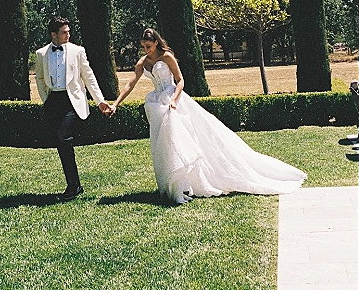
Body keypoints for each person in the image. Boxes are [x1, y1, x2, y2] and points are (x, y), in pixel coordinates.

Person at [110, 27, 307, 204]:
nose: (147, 50)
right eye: (144, 47)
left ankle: (183, 186)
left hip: (173, 101)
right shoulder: (142, 63)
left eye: (149, 46)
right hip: (156, 105)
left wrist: (174, 100)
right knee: (163, 145)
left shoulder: (167, 56)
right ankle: (173, 185)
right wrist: (116, 103)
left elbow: (180, 80)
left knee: (182, 141)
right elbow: (130, 84)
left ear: (156, 43)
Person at [35, 16, 114, 201]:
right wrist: (46, 98)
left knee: (63, 138)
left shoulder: (78, 51)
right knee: (61, 142)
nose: (68, 34)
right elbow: (39, 78)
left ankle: (73, 186)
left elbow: (89, 77)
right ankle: (74, 184)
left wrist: (100, 101)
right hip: (53, 100)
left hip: (73, 101)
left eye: (69, 31)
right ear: (53, 34)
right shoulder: (41, 54)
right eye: (64, 32)